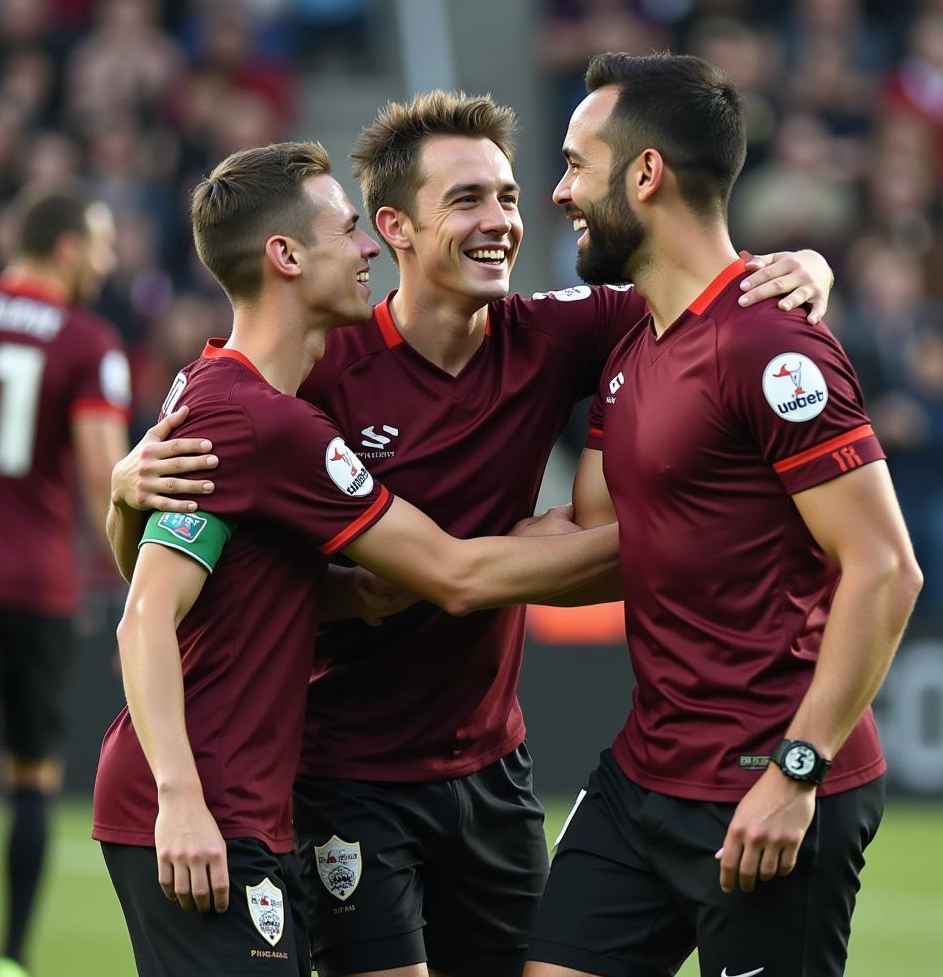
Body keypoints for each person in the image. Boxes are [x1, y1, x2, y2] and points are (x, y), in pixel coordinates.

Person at [109, 93, 837, 977]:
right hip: (345, 771)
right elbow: (175, 589)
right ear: (393, 227)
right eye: (466, 201)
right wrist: (127, 495)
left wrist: (801, 265)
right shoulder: (308, 372)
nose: (501, 222)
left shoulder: (560, 332)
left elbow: (696, 278)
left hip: (494, 768)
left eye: (507, 197)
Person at [93, 140, 625, 977]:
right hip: (227, 796)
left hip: (266, 801)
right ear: (288, 255)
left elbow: (223, 586)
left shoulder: (215, 390)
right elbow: (146, 615)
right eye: (350, 230)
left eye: (508, 194)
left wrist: (128, 500)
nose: (365, 251)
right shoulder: (269, 419)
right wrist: (681, 539)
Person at [525, 52, 923, 977]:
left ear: (647, 173)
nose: (557, 192)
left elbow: (887, 568)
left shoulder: (773, 345)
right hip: (646, 768)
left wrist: (796, 775)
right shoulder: (633, 332)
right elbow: (593, 529)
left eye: (576, 164)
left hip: (767, 781)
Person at [0, 184, 130, 977]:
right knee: (30, 774)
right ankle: (9, 958)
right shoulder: (86, 341)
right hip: (35, 586)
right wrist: (144, 590)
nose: (107, 261)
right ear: (67, 247)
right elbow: (109, 477)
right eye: (100, 244)